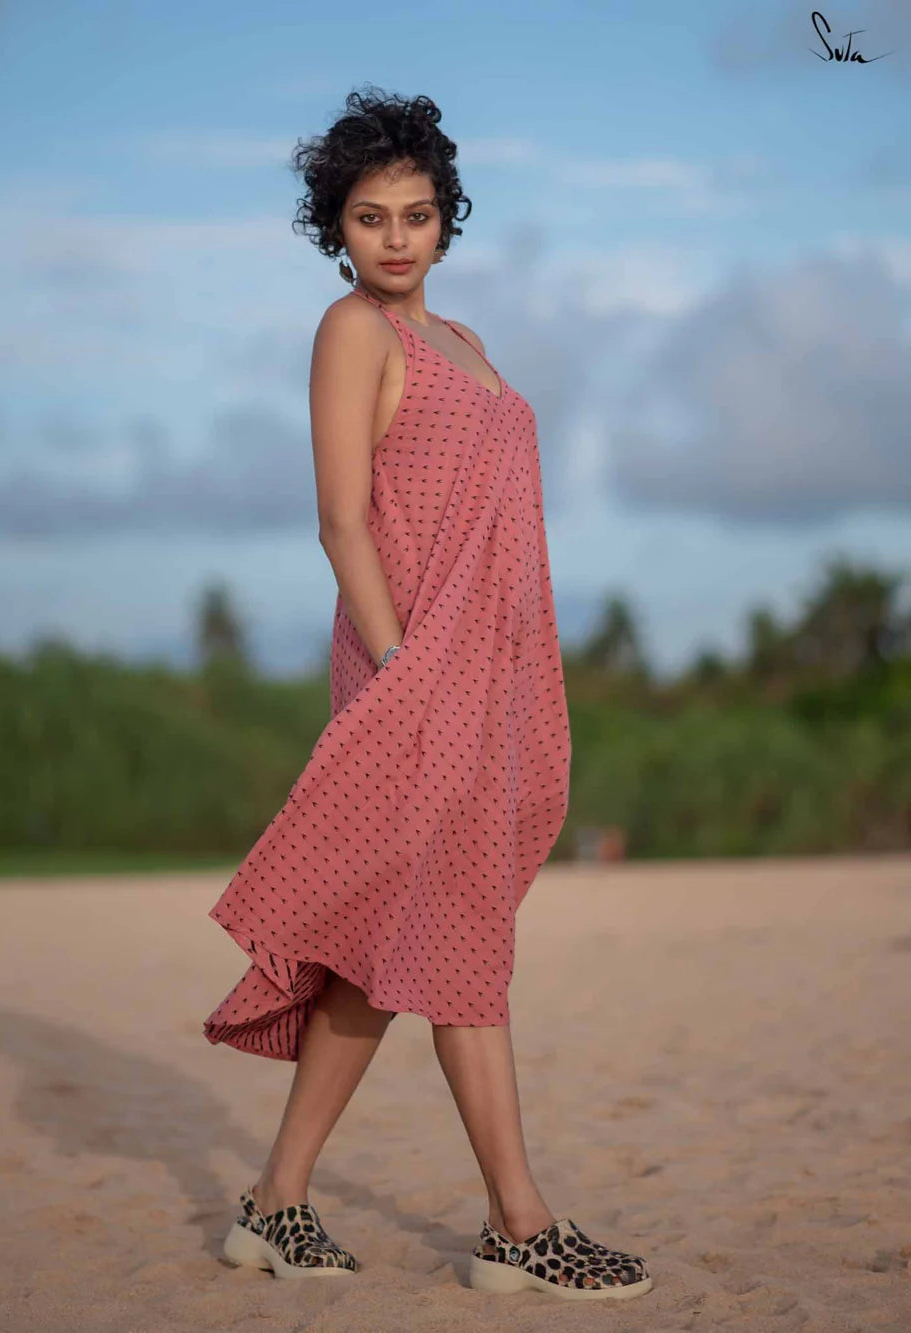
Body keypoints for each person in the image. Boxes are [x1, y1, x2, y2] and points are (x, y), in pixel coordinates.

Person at [203, 86, 653, 1303]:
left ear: (446, 220)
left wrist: (491, 678)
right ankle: (519, 1221)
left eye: (415, 214)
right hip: (409, 666)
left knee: (387, 944)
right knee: (458, 936)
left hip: (479, 674)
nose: (394, 238)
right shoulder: (354, 332)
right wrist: (404, 668)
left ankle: (275, 1204)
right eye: (367, 217)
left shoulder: (468, 345)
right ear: (333, 229)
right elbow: (341, 517)